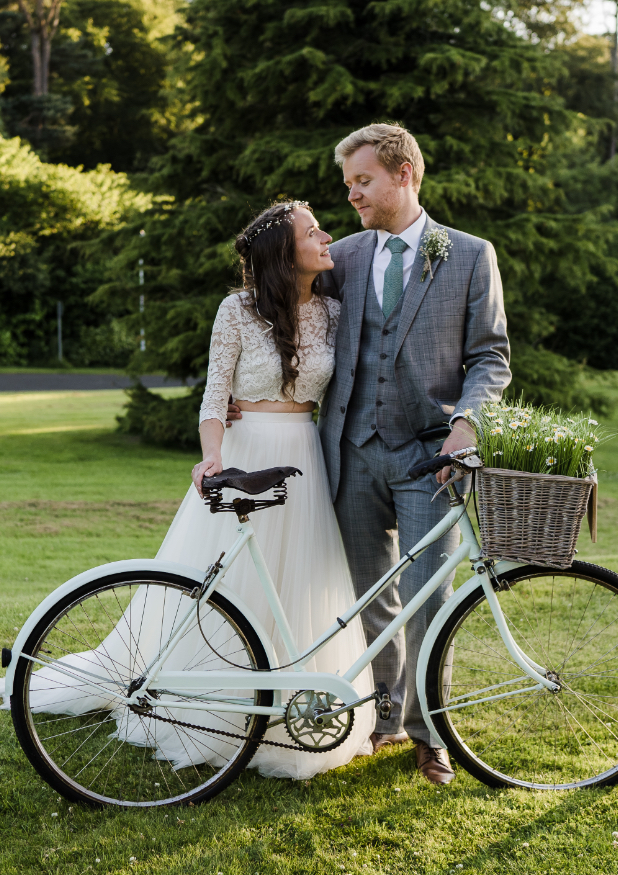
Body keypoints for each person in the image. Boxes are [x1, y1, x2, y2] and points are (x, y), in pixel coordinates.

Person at [315, 124, 510, 784]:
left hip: (432, 458)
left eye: (362, 182)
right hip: (352, 453)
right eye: (348, 186)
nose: (352, 196)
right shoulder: (339, 257)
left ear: (404, 176)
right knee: (375, 599)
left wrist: (467, 422)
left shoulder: (468, 254)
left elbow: (490, 356)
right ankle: (389, 720)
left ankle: (433, 734)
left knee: (432, 601)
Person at [171, 199, 375, 778]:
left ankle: (295, 711)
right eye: (314, 232)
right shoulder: (235, 311)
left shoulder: (334, 312)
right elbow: (214, 395)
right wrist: (212, 457)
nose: (327, 236)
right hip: (245, 453)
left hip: (305, 457)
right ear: (286, 254)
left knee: (300, 583)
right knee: (232, 581)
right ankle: (217, 710)